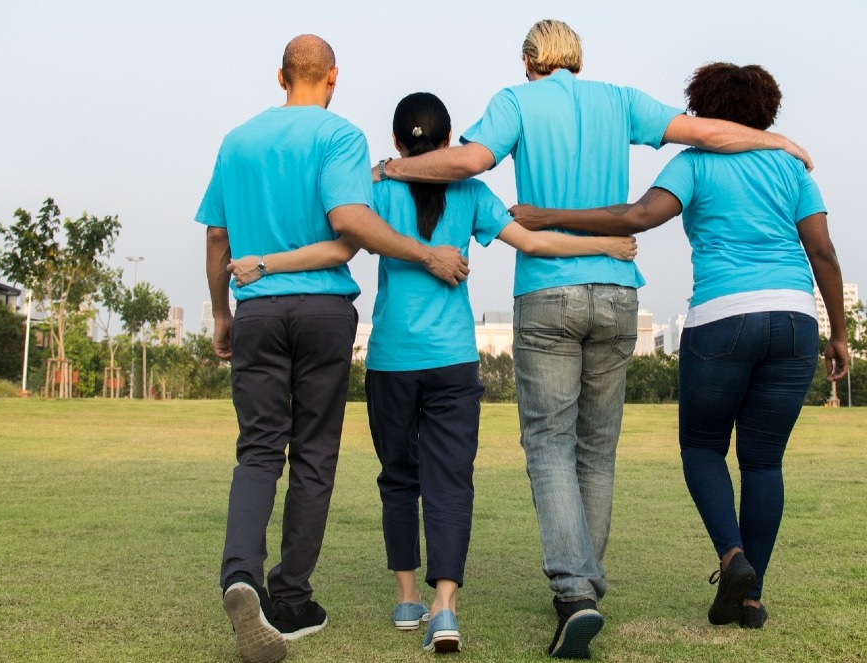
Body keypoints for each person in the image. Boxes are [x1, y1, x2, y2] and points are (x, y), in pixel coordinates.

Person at [374, 19, 813, 659]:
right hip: (617, 291)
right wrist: (779, 141)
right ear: (577, 58)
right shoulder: (622, 100)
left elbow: (469, 161)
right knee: (597, 449)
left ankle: (575, 594)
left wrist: (389, 167)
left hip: (547, 292)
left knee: (549, 444)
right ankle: (586, 587)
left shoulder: (516, 101)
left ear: (529, 60)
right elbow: (706, 131)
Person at [227, 91, 637, 655]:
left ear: (398, 143)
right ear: (447, 143)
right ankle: (445, 610)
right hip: (452, 361)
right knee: (451, 481)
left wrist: (267, 261)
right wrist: (608, 246)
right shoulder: (470, 191)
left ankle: (406, 598)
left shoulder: (372, 190)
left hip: (391, 360)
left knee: (398, 478)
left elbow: (336, 242)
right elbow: (536, 243)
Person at [509, 62, 849, 630]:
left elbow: (638, 216)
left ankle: (732, 557)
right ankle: (750, 598)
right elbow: (824, 252)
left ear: (705, 109)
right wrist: (837, 332)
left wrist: (549, 216)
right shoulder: (792, 167)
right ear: (767, 111)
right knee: (763, 461)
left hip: (723, 318)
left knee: (702, 448)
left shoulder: (695, 163)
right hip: (794, 319)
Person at [196, 35, 468, 663]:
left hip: (257, 309)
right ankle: (291, 599)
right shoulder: (340, 137)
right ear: (333, 78)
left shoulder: (236, 141)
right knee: (314, 454)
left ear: (281, 76)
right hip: (323, 311)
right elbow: (349, 223)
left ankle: (242, 575)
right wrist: (426, 252)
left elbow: (217, 238)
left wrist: (219, 312)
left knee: (258, 450)